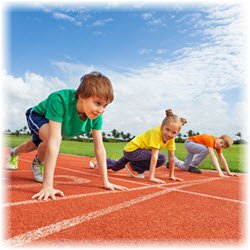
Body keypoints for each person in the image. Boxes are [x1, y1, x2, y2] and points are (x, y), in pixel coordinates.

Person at [6, 71, 127, 200]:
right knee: (50, 140)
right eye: (97, 103)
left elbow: (100, 149)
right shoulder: (59, 99)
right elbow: (54, 140)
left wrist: (105, 181)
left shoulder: (96, 117)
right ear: (81, 95)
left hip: (54, 127)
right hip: (38, 116)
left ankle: (14, 153)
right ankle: (38, 163)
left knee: (34, 144)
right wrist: (48, 186)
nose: (101, 110)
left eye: (105, 105)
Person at [90, 109, 187, 184]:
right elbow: (154, 156)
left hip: (139, 153)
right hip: (132, 150)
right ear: (162, 126)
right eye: (167, 129)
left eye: (174, 132)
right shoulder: (156, 132)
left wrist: (172, 175)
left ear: (177, 133)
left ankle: (98, 160)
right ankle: (134, 167)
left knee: (115, 167)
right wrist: (151, 177)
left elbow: (172, 158)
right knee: (161, 158)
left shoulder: (171, 139)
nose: (169, 134)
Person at [174, 134, 238, 177]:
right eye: (221, 142)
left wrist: (228, 172)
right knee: (206, 150)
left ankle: (174, 160)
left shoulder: (218, 146)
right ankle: (193, 165)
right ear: (219, 138)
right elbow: (213, 156)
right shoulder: (210, 139)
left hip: (193, 147)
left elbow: (221, 158)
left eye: (222, 146)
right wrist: (220, 172)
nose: (220, 145)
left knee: (184, 167)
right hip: (189, 143)